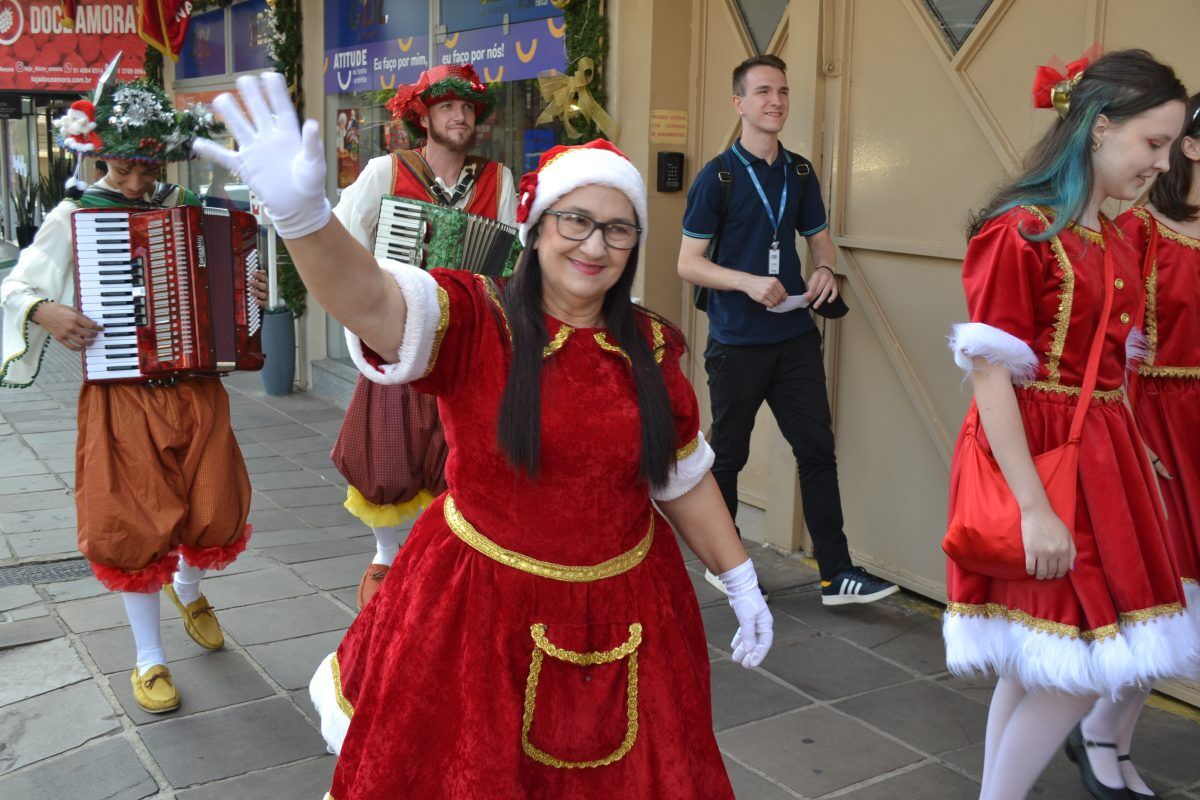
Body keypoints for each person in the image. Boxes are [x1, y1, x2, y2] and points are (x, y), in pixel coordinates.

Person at [194, 71, 774, 800]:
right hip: (475, 614)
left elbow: (682, 480)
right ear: (536, 228)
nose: (595, 244)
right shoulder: (476, 319)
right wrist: (305, 219)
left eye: (618, 228)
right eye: (576, 221)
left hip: (633, 613)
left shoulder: (652, 346)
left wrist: (740, 578)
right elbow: (369, 298)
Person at [943, 50, 1198, 800]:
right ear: (1098, 127)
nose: (1160, 163)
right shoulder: (1020, 230)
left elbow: (1109, 359)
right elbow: (991, 374)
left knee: (1042, 658)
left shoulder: (1117, 238)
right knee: (1088, 662)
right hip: (1042, 454)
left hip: (1101, 455)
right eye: (1151, 144)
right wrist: (1032, 507)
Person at [0, 79, 267, 714]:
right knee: (132, 523)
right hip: (123, 396)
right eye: (124, 165)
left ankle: (190, 588)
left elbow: (241, 264)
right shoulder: (76, 216)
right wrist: (47, 311)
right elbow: (15, 287)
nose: (137, 181)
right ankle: (149, 659)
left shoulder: (196, 207)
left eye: (148, 166)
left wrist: (247, 302)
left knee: (213, 507)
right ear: (99, 157)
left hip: (198, 389)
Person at [677, 54, 898, 606]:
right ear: (740, 104)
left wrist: (824, 267)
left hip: (794, 335)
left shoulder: (798, 171)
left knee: (817, 452)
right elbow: (688, 262)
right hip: (737, 343)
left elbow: (818, 238)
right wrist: (747, 282)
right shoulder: (718, 177)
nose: (775, 101)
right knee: (727, 457)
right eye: (762, 92)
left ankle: (837, 573)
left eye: (782, 91)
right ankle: (722, 563)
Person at [330, 64, 517, 609]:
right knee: (388, 457)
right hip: (399, 337)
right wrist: (369, 308)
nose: (460, 116)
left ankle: (456, 563)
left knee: (465, 457)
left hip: (469, 348)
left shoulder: (497, 180)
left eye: (467, 108)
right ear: (424, 115)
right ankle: (385, 557)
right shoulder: (384, 173)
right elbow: (340, 246)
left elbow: (508, 261)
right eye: (447, 107)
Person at [1073, 92, 1200, 800]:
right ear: (1191, 146)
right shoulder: (1141, 236)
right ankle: (1099, 734)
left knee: (1186, 607)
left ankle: (1110, 736)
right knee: (1160, 596)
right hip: (1159, 425)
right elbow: (1108, 350)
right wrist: (1135, 438)